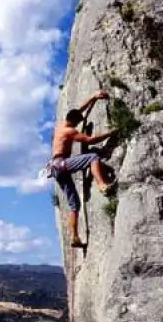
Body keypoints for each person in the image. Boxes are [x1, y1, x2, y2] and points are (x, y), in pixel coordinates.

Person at [47, 90, 117, 248]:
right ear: (74, 122)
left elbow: (79, 111)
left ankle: (74, 237)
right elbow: (90, 140)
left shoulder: (61, 126)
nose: (79, 125)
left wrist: (93, 97)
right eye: (78, 123)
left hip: (55, 168)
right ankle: (102, 184)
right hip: (61, 164)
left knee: (74, 205)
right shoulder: (70, 131)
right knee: (92, 157)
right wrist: (110, 134)